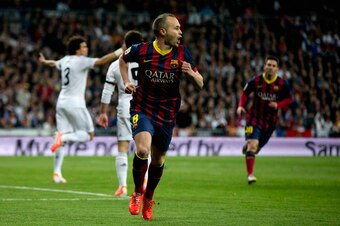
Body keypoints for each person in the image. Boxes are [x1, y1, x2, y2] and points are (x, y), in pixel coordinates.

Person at [119, 13, 204, 220]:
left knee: (158, 161)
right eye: (176, 28)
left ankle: (149, 197)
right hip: (143, 108)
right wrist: (126, 81)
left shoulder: (183, 53)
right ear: (163, 32)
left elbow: (201, 83)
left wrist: (192, 74)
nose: (180, 32)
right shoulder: (142, 49)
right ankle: (138, 193)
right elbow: (122, 59)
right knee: (142, 149)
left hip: (167, 114)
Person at [39, 35, 124, 183]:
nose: (87, 48)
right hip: (75, 103)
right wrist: (120, 51)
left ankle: (56, 173)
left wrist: (45, 62)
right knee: (89, 135)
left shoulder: (65, 60)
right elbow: (102, 61)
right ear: (78, 50)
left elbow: (53, 64)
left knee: (61, 136)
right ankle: (62, 138)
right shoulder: (81, 61)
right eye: (84, 46)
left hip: (61, 103)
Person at [97, 30, 149, 196]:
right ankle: (144, 182)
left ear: (124, 45)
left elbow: (107, 91)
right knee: (145, 147)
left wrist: (103, 113)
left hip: (125, 106)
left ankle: (123, 186)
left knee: (123, 146)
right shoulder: (147, 61)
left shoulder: (115, 65)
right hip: (144, 106)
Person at [237, 55, 293, 184]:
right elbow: (245, 94)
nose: (270, 68)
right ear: (264, 66)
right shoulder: (255, 81)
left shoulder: (282, 84)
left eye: (273, 66)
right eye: (269, 65)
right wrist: (240, 106)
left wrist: (278, 105)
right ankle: (250, 175)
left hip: (270, 123)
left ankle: (249, 145)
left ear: (277, 69)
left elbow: (289, 99)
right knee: (253, 146)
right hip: (254, 118)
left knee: (256, 149)